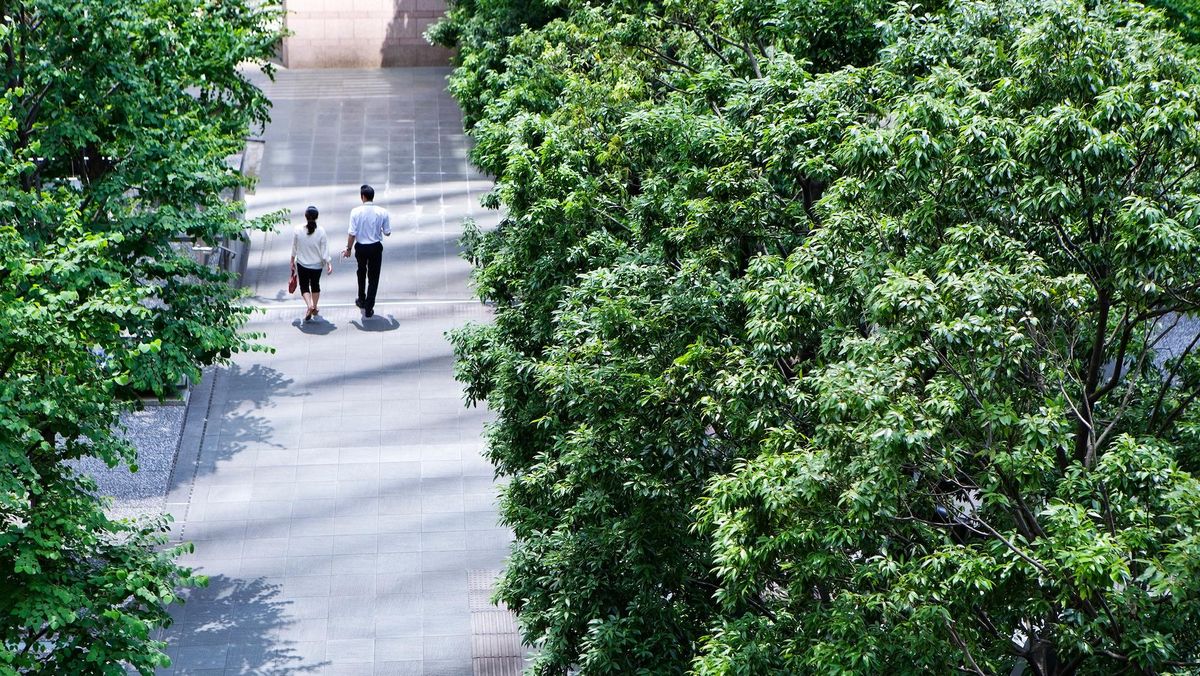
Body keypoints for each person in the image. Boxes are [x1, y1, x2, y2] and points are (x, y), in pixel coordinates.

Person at [342, 184, 391, 318]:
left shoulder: (355, 212)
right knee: (374, 278)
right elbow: (387, 233)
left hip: (361, 248)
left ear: (362, 196)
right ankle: (369, 307)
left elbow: (352, 233)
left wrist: (348, 249)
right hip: (375, 247)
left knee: (361, 273)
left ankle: (361, 299)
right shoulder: (382, 212)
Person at [291, 205, 333, 321]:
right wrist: (328, 263)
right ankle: (314, 306)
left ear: (305, 216)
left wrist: (292, 260)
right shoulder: (321, 231)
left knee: (304, 286)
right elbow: (325, 250)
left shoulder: (298, 230)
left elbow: (294, 247)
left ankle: (309, 306)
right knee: (315, 285)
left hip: (302, 264)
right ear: (317, 217)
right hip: (317, 265)